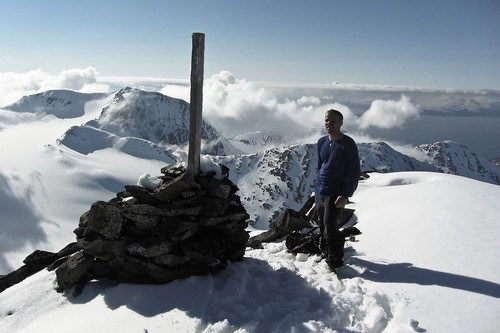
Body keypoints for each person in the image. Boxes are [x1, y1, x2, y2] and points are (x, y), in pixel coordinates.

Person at [315, 109, 361, 270]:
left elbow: (355, 171)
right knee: (321, 223)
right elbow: (321, 166)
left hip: (336, 192)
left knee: (331, 225)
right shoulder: (321, 142)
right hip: (321, 191)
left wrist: (345, 194)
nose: (329, 123)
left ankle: (335, 260)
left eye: (333, 120)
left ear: (341, 123)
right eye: (327, 120)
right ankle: (326, 251)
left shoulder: (347, 144)